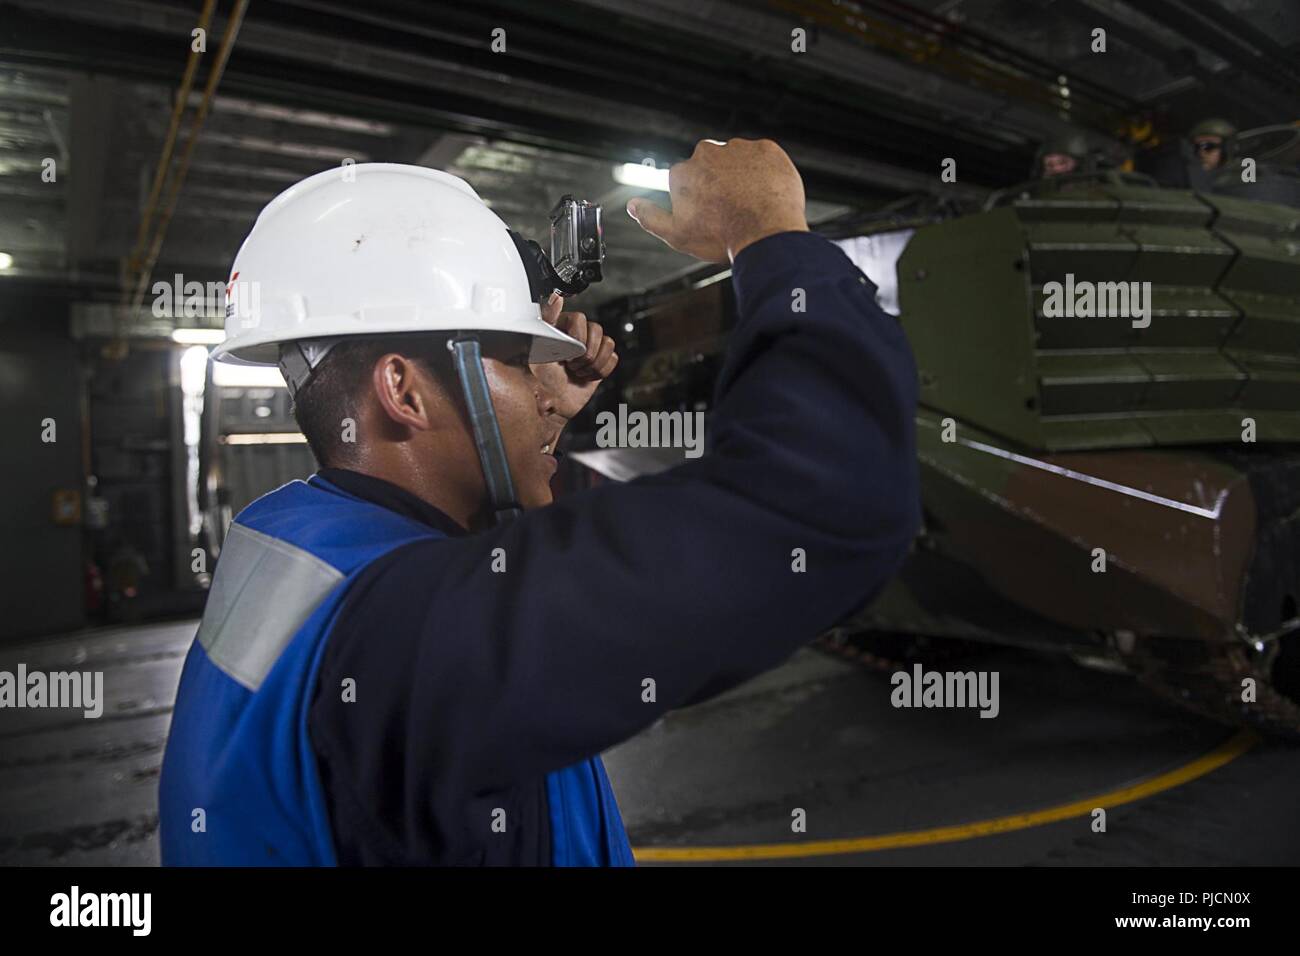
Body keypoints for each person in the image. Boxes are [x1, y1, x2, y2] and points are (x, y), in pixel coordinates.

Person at [159, 139, 921, 865]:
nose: (540, 389)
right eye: (519, 363)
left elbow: (479, 574)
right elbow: (828, 498)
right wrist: (770, 239)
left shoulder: (293, 544)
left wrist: (529, 427)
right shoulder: (405, 640)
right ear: (403, 390)